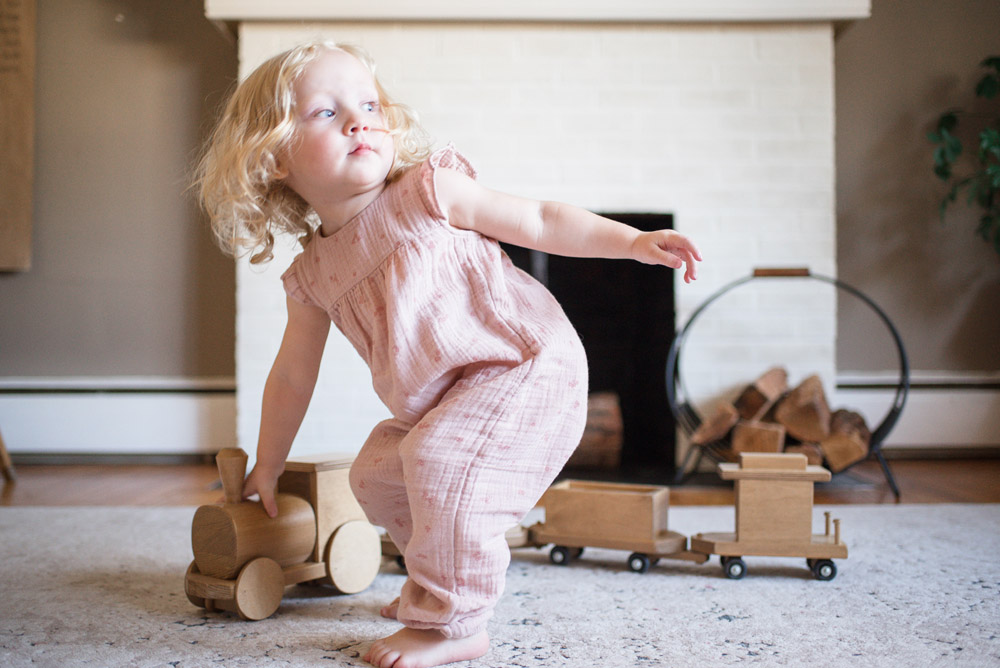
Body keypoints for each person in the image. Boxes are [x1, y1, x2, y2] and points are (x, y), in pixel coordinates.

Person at [196, 40, 701, 668]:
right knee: (375, 476)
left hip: (525, 365)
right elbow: (293, 373)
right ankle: (437, 579)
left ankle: (454, 622)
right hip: (449, 399)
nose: (358, 120)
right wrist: (267, 465)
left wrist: (632, 243)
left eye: (368, 104)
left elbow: (540, 219)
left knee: (436, 461)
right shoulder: (313, 274)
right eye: (325, 113)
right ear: (272, 157)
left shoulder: (428, 190)